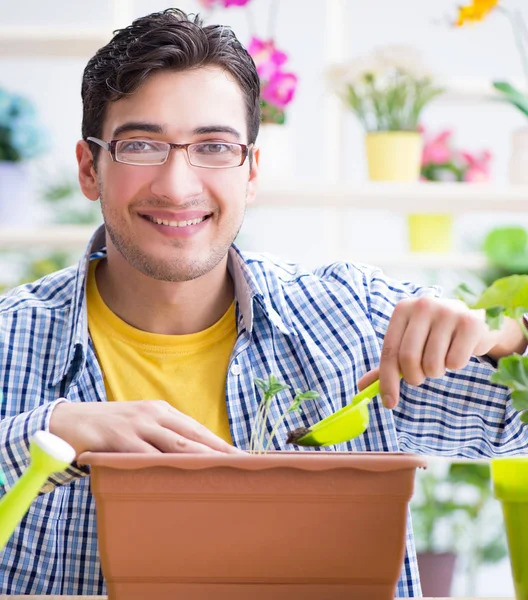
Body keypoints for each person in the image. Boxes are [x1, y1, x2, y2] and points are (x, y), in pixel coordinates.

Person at [0, 7, 527, 597]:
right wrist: (43, 436)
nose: (177, 186)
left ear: (251, 170)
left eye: (215, 147)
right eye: (142, 145)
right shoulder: (9, 343)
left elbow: (517, 425)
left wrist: (509, 337)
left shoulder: (353, 321)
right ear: (89, 169)